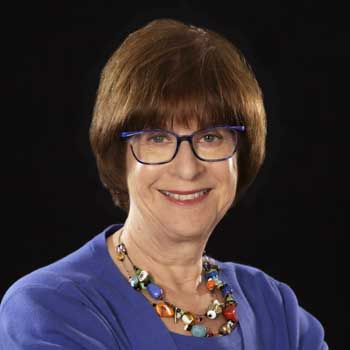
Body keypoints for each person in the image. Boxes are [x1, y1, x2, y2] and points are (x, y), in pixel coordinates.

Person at [0, 18, 328, 350]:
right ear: (118, 155)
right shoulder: (49, 309)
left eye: (210, 137)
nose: (187, 169)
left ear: (241, 155)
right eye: (157, 138)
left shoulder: (273, 305)